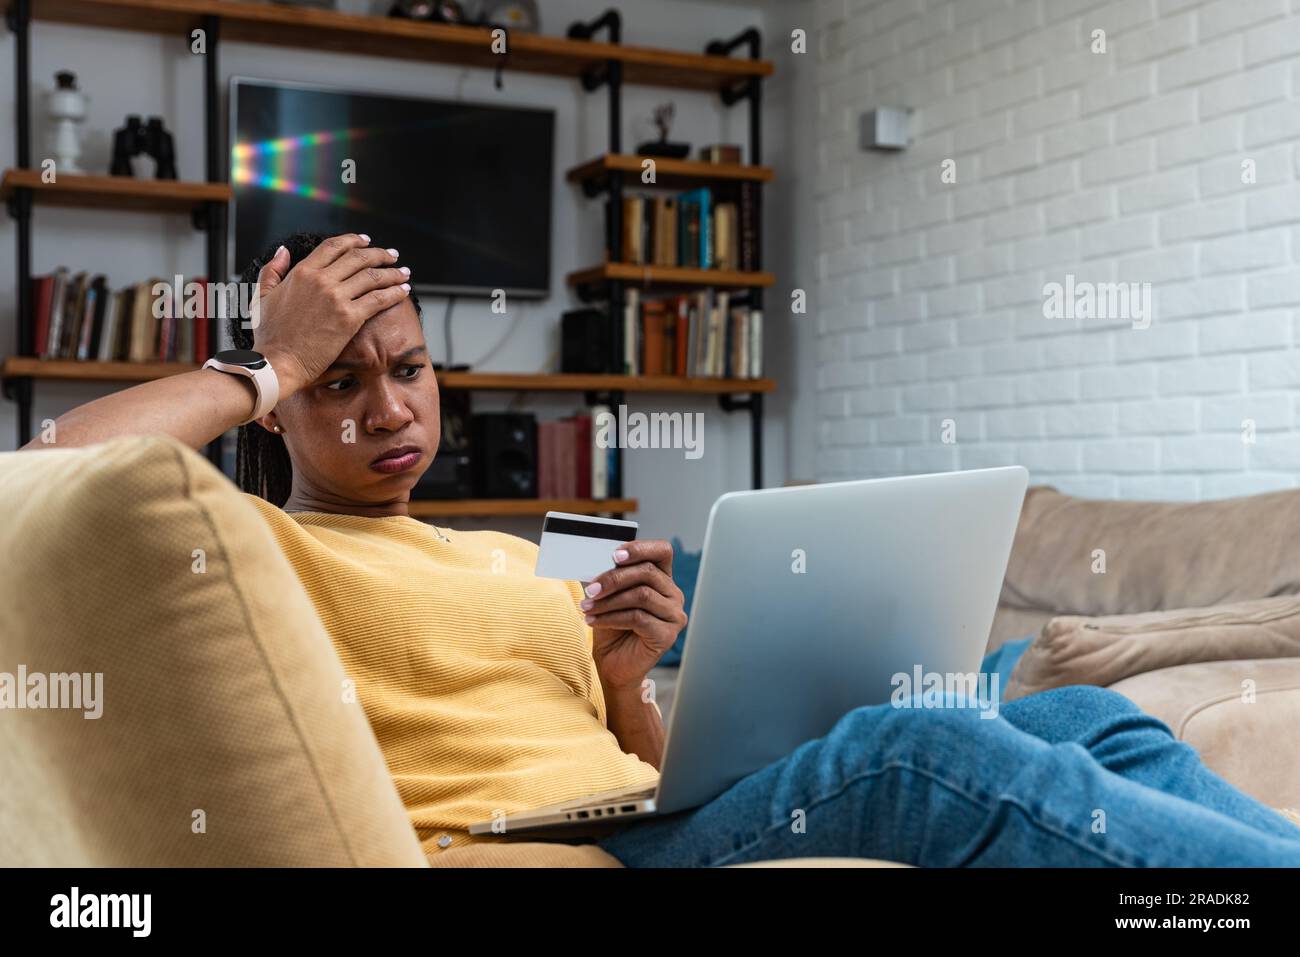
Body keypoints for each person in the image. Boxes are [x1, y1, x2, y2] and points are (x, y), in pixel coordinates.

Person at [24, 232, 1300, 867]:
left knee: (1088, 716)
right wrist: (267, 358)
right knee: (921, 748)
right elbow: (54, 471)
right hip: (537, 845)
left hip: (640, 811)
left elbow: (637, 769)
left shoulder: (511, 555)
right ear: (281, 411)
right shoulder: (261, 545)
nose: (388, 409)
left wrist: (632, 682)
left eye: (407, 371)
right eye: (336, 385)